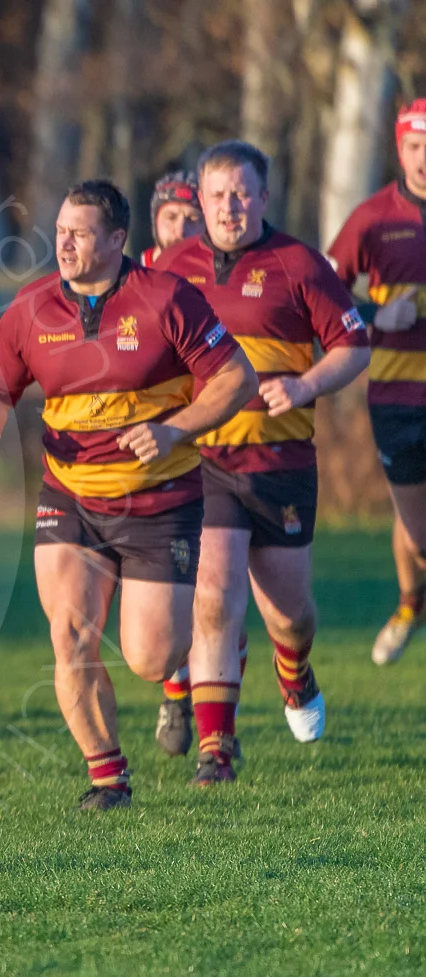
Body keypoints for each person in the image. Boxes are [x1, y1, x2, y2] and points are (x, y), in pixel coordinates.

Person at [0, 179, 257, 811]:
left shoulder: (168, 299)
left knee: (152, 658)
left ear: (119, 239)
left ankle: (213, 648)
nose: (63, 243)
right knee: (69, 636)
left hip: (160, 502)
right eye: (60, 230)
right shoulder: (32, 307)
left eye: (80, 233)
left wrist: (174, 428)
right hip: (68, 499)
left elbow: (237, 377)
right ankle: (108, 779)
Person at [153, 141, 369, 777]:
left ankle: (294, 668)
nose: (229, 206)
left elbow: (353, 345)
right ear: (199, 200)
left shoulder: (299, 262)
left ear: (263, 198)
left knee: (289, 613)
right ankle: (218, 749)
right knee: (214, 592)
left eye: (241, 193)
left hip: (281, 464)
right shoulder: (172, 268)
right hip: (206, 461)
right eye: (216, 195)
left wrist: (304, 386)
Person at [327, 98, 426, 667]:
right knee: (416, 532)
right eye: (414, 147)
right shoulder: (373, 219)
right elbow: (324, 294)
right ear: (399, 148)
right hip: (396, 400)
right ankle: (412, 604)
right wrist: (375, 316)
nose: (422, 158)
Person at [139, 171, 203, 267]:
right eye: (171, 217)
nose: (180, 231)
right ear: (155, 223)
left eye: (192, 219)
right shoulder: (129, 275)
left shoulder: (222, 277)